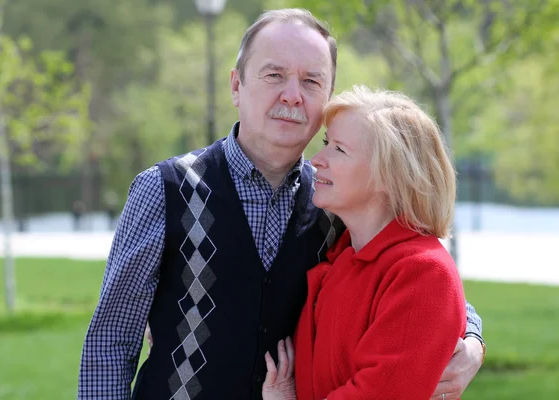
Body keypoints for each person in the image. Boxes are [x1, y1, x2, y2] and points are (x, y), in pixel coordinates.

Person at [78, 9, 485, 400]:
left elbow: (422, 285)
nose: (292, 95)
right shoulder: (164, 189)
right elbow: (111, 340)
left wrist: (471, 341)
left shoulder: (336, 201)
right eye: (274, 75)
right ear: (236, 86)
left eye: (311, 81)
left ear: (326, 97)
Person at [262, 85, 473, 400]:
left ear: (390, 175)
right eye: (325, 143)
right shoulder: (340, 255)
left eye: (339, 149)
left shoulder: (422, 272)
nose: (317, 159)